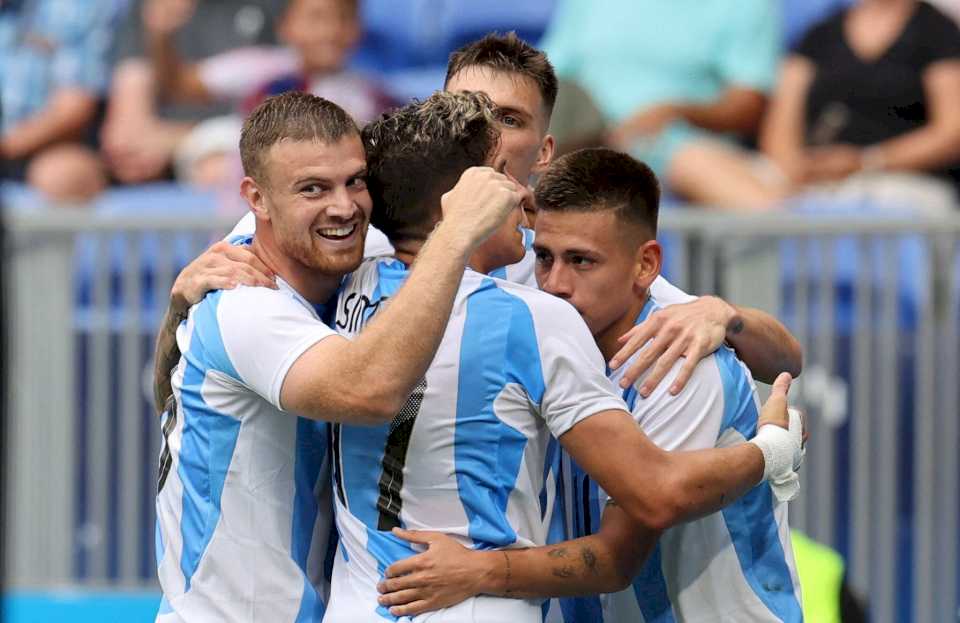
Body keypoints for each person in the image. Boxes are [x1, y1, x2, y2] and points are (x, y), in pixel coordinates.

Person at [321, 90, 803, 623]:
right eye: (500, 174)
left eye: (580, 261)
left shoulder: (345, 284)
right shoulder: (531, 317)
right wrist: (774, 450)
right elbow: (656, 495)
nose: (519, 195)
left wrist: (728, 314)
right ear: (462, 202)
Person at [160, 32, 802, 415]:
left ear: (544, 153)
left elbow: (785, 360)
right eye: (466, 111)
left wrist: (726, 314)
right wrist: (175, 311)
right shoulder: (358, 229)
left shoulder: (561, 260)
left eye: (511, 120)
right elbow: (176, 388)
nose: (486, 134)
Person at [154, 91, 525, 621]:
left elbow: (165, 389)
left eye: (354, 180)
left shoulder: (349, 251)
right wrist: (456, 232)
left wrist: (691, 309)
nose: (344, 206)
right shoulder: (244, 305)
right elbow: (368, 392)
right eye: (313, 189)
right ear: (256, 199)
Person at [539, 0, 785, 209]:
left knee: (699, 166)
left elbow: (748, 104)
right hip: (579, 142)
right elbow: (544, 72)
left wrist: (677, 112)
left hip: (677, 147)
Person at [760, 0, 960, 209]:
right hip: (811, 180)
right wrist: (797, 168)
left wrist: (867, 162)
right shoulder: (820, 33)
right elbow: (780, 123)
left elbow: (952, 133)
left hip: (902, 183)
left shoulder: (939, 33)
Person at [0, 0, 121, 202]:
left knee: (63, 176)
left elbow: (74, 108)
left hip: (44, 148)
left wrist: (6, 146)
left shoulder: (76, 7)